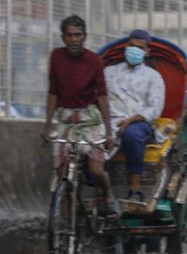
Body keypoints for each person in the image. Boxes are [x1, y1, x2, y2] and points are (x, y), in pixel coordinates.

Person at [41, 15, 119, 217]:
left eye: (78, 35)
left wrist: (109, 132)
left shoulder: (94, 60)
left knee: (95, 170)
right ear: (63, 37)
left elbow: (102, 96)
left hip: (89, 118)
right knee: (61, 173)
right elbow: (53, 92)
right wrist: (48, 124)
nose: (74, 39)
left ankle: (108, 194)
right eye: (69, 35)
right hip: (65, 117)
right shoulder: (56, 56)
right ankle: (67, 220)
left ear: (84, 36)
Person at [104, 29, 165, 202]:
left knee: (132, 134)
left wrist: (130, 121)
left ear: (147, 52)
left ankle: (135, 188)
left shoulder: (154, 77)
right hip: (110, 120)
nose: (134, 50)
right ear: (125, 46)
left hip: (139, 122)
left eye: (140, 47)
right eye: (131, 46)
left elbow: (154, 108)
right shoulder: (109, 72)